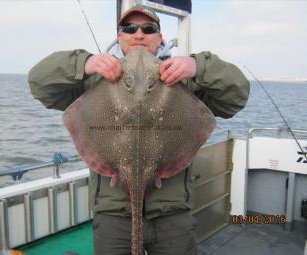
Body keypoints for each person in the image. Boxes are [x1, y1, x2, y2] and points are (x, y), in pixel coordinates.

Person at [28, 5, 249, 255]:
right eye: (130, 28)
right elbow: (39, 84)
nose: (139, 34)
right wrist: (84, 63)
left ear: (160, 37)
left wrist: (199, 67)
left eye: (149, 28)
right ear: (119, 36)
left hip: (171, 215)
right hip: (113, 216)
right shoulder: (93, 81)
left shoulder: (183, 80)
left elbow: (236, 98)